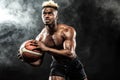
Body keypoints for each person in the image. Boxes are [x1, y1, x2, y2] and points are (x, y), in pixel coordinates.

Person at [18, 0, 88, 80]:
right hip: (58, 64)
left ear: (56, 16)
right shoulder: (40, 38)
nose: (46, 16)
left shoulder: (67, 30)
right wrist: (27, 58)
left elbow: (70, 53)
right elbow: (38, 63)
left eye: (50, 13)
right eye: (44, 13)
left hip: (73, 63)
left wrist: (46, 48)